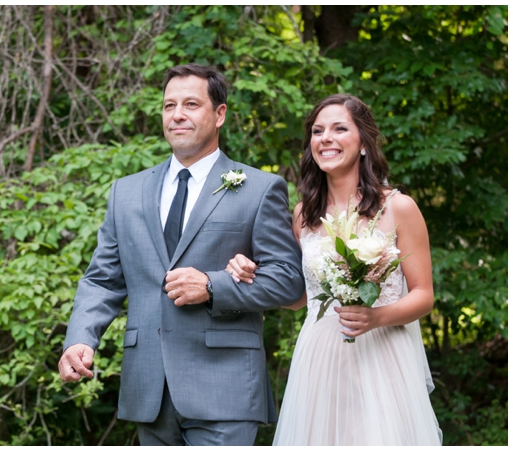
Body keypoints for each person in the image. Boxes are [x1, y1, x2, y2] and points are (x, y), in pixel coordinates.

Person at [57, 63, 305, 445]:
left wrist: (213, 285)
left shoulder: (259, 188)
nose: (177, 115)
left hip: (226, 389)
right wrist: (80, 339)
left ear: (219, 114)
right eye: (169, 105)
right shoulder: (126, 192)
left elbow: (289, 282)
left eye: (191, 104)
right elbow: (103, 280)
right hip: (148, 390)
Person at [225, 94, 442, 445]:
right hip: (319, 355)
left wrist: (376, 317)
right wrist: (252, 274)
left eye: (340, 128)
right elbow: (298, 297)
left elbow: (424, 296)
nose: (325, 137)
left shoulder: (399, 208)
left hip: (383, 354)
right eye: (317, 131)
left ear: (363, 145)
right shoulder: (302, 215)